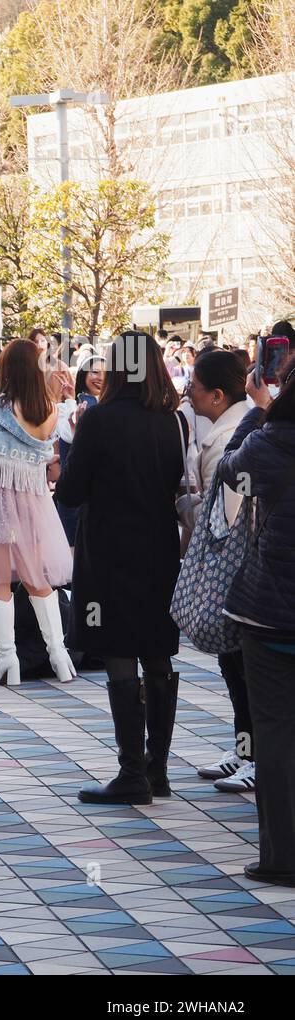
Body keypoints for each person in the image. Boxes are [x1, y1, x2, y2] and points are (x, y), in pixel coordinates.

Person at [55, 331, 185, 805]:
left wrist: (60, 469)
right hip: (158, 549)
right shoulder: (172, 421)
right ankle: (158, 770)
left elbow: (71, 492)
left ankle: (132, 773)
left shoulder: (99, 419)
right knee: (157, 651)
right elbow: (173, 481)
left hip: (109, 549)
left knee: (117, 652)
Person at [0, 339, 76, 686]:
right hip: (33, 501)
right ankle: (59, 654)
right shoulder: (51, 408)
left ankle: (7, 661)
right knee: (37, 580)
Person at [217, 361, 295, 886]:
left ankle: (282, 857)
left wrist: (256, 409)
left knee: (274, 731)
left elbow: (228, 469)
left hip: (271, 617)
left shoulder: (273, 441)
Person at [180, 351, 254, 790]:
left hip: (237, 571)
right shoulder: (229, 426)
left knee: (243, 665)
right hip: (241, 572)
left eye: (196, 384)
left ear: (218, 395)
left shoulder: (232, 438)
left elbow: (223, 520)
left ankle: (255, 755)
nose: (189, 389)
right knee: (233, 664)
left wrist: (183, 509)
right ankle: (245, 749)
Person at [54, 347, 106, 545]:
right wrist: (69, 400)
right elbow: (69, 435)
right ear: (84, 373)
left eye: (105, 373)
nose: (100, 378)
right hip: (75, 490)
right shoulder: (68, 406)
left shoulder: (112, 407)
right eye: (95, 372)